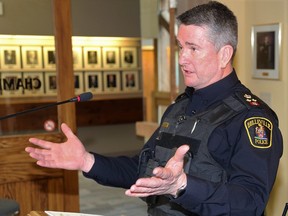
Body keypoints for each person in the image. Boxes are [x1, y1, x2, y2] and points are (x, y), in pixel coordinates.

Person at [25, 1, 283, 215]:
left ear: (224, 54)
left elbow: (249, 203)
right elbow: (142, 170)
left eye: (193, 48)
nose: (182, 59)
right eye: (181, 47)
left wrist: (182, 185)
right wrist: (87, 161)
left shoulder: (251, 118)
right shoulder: (180, 107)